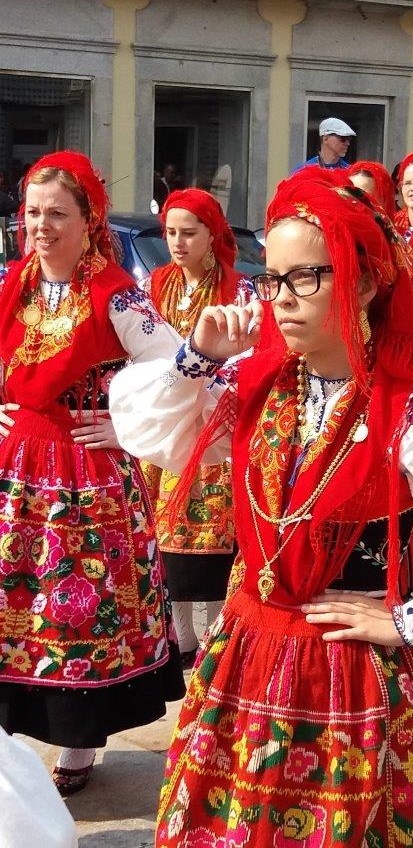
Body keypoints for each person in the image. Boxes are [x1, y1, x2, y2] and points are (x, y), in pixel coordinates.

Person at [110, 172, 413, 847]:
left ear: (367, 283)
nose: (281, 301)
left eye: (304, 279)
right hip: (244, 652)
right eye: (273, 279)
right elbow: (154, 433)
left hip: (346, 672)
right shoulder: (254, 383)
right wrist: (195, 356)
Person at [0, 152, 186, 795]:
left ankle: (79, 741)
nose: (41, 226)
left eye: (57, 213)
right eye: (32, 213)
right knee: (16, 602)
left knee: (77, 604)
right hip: (15, 471)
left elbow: (178, 368)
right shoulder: (14, 284)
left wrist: (126, 426)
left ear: (88, 220)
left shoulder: (117, 296)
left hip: (86, 474)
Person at [142, 189, 253, 667]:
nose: (178, 242)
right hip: (166, 416)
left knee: (212, 526)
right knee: (163, 525)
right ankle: (180, 633)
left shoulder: (237, 289)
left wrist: (208, 391)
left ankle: (216, 632)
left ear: (213, 236)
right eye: (170, 233)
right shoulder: (152, 285)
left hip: (212, 415)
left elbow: (248, 351)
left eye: (189, 233)